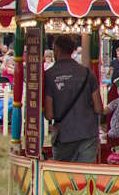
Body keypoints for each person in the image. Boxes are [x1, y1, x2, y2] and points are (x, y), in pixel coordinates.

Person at [42, 35, 103, 163]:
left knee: (63, 177)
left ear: (56, 50)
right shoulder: (87, 73)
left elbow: (49, 114)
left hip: (64, 135)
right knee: (85, 178)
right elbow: (98, 108)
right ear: (72, 50)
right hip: (88, 132)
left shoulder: (49, 76)